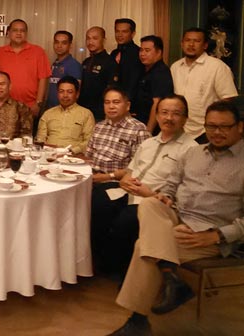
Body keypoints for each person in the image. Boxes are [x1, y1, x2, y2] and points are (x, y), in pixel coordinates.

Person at [109, 100, 244, 335]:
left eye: (224, 127)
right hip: (177, 219)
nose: (217, 133)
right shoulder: (193, 153)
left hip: (209, 234)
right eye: (211, 126)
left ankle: (138, 321)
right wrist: (167, 197)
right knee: (150, 203)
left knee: (144, 245)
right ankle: (171, 275)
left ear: (239, 127)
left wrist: (215, 236)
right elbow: (170, 186)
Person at [91, 95, 197, 279]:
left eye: (175, 114)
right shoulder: (148, 143)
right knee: (95, 202)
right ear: (156, 116)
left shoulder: (191, 150)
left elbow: (187, 191)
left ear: (185, 118)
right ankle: (99, 262)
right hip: (126, 190)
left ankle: (124, 272)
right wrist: (125, 180)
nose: (169, 118)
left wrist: (151, 193)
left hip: (153, 201)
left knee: (125, 220)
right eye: (164, 113)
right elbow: (131, 169)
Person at [170, 27, 238, 143]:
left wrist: (213, 122)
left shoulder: (217, 67)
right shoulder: (175, 67)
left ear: (205, 45)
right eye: (187, 40)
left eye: (196, 41)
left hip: (205, 131)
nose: (191, 44)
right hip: (179, 129)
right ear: (182, 43)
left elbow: (228, 97)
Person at [87, 86, 150, 183]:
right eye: (107, 102)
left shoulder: (138, 129)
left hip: (116, 183)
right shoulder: (99, 126)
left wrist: (108, 176)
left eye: (116, 102)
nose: (111, 106)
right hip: (91, 178)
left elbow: (139, 167)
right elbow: (89, 157)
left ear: (128, 105)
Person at [0, 19, 50, 117]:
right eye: (15, 30)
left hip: (30, 106)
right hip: (4, 106)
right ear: (8, 32)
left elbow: (43, 78)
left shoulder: (38, 52)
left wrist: (38, 103)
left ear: (26, 33)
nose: (19, 33)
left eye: (22, 30)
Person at [37, 76, 95, 154]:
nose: (65, 95)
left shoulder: (86, 114)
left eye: (69, 92)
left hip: (74, 158)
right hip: (49, 156)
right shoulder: (48, 114)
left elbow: (90, 141)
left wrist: (72, 151)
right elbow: (40, 138)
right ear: (57, 93)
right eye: (61, 91)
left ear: (77, 94)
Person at [131, 35, 174, 133]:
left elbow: (157, 103)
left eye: (147, 50)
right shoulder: (144, 69)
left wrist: (149, 131)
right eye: (141, 50)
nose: (142, 54)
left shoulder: (160, 72)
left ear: (159, 52)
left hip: (153, 127)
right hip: (139, 121)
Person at [78, 27, 117, 121]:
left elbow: (111, 90)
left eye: (95, 38)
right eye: (88, 38)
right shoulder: (86, 62)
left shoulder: (110, 62)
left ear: (103, 40)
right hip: (82, 111)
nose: (90, 42)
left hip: (100, 114)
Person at [46, 30, 82, 108]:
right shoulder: (55, 63)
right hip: (51, 109)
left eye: (64, 43)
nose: (59, 45)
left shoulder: (73, 65)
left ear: (70, 45)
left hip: (64, 110)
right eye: (56, 42)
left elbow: (75, 93)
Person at [111, 18, 144, 102]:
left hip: (130, 103)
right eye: (117, 31)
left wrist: (126, 103)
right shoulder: (114, 53)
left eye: (124, 32)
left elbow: (134, 83)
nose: (120, 35)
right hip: (112, 100)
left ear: (133, 34)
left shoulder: (139, 53)